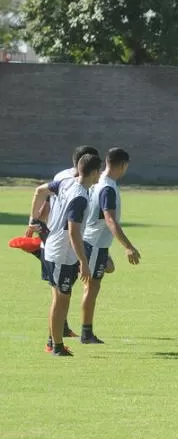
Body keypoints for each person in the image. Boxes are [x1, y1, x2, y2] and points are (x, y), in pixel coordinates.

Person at [16, 145, 101, 339]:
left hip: (57, 246)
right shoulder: (79, 195)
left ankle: (56, 338)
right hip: (61, 250)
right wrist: (84, 262)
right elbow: (73, 230)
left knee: (62, 296)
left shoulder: (64, 181)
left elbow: (40, 192)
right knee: (60, 297)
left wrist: (35, 222)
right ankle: (54, 344)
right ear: (93, 170)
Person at [79, 148, 141, 344]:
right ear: (123, 165)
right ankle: (86, 333)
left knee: (103, 273)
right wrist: (128, 246)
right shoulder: (107, 188)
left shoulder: (99, 182)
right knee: (92, 287)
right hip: (95, 243)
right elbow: (110, 220)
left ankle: (76, 328)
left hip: (94, 242)